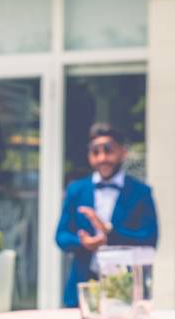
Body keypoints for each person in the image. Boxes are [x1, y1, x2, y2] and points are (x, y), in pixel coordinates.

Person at [56, 123, 158, 307]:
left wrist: (110, 233)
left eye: (108, 150)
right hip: (82, 286)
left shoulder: (140, 192)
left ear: (122, 152)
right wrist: (84, 242)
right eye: (95, 152)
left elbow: (150, 237)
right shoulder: (77, 190)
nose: (102, 157)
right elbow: (61, 236)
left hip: (126, 289)